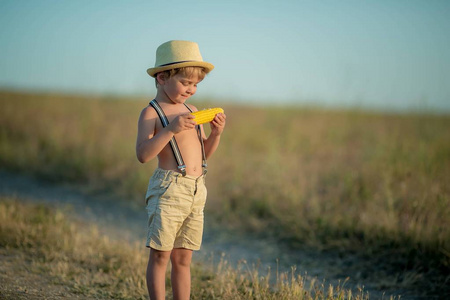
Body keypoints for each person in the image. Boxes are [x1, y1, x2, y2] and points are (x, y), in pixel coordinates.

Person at [135, 40, 226, 300]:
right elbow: (143, 154)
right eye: (186, 83)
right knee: (161, 254)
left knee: (184, 257)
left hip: (196, 189)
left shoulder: (192, 110)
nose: (192, 90)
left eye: (196, 84)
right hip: (169, 190)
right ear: (162, 78)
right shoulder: (151, 114)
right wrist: (170, 129)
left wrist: (216, 134)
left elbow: (202, 154)